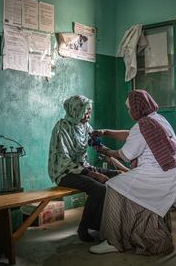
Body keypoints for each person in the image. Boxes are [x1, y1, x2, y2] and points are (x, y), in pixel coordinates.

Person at [89, 89, 176, 255]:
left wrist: (105, 151)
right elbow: (132, 135)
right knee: (128, 188)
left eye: (129, 108)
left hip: (164, 173)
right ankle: (137, 230)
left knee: (113, 186)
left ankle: (114, 241)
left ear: (137, 108)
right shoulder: (157, 118)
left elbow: (125, 154)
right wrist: (106, 132)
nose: (129, 111)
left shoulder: (143, 125)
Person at [48, 95, 118, 242]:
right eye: (86, 112)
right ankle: (83, 228)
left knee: (116, 175)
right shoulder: (61, 128)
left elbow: (95, 143)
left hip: (82, 167)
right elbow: (65, 162)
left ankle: (105, 224)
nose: (89, 115)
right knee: (99, 188)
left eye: (90, 111)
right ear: (75, 111)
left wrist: (114, 154)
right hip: (65, 173)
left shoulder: (84, 126)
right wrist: (95, 175)